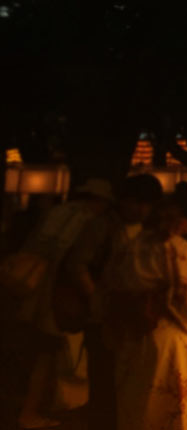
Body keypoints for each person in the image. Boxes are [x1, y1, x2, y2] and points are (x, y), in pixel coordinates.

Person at [14, 178, 115, 430]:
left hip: (32, 292)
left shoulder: (58, 213)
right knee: (46, 355)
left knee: (38, 354)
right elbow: (69, 263)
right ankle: (29, 412)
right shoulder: (83, 220)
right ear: (98, 200)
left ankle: (33, 408)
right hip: (54, 299)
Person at [69, 173, 163, 430]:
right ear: (123, 201)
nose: (142, 209)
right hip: (106, 319)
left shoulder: (148, 229)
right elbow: (78, 265)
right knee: (105, 383)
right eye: (137, 202)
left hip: (133, 319)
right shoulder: (101, 226)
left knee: (126, 383)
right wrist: (98, 303)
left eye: (148, 204)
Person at [109, 202, 187, 430]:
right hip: (170, 329)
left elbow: (112, 284)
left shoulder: (130, 245)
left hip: (133, 330)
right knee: (170, 404)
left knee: (136, 401)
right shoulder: (178, 248)